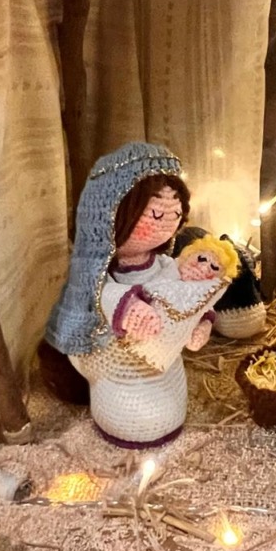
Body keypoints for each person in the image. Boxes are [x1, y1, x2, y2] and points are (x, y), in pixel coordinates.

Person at [41, 143, 222, 448]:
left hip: (165, 368)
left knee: (166, 404)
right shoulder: (96, 274)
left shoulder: (166, 265)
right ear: (112, 215)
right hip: (118, 369)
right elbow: (98, 295)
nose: (166, 225)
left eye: (176, 214)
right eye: (156, 213)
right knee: (130, 410)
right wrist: (128, 308)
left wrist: (200, 320)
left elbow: (185, 293)